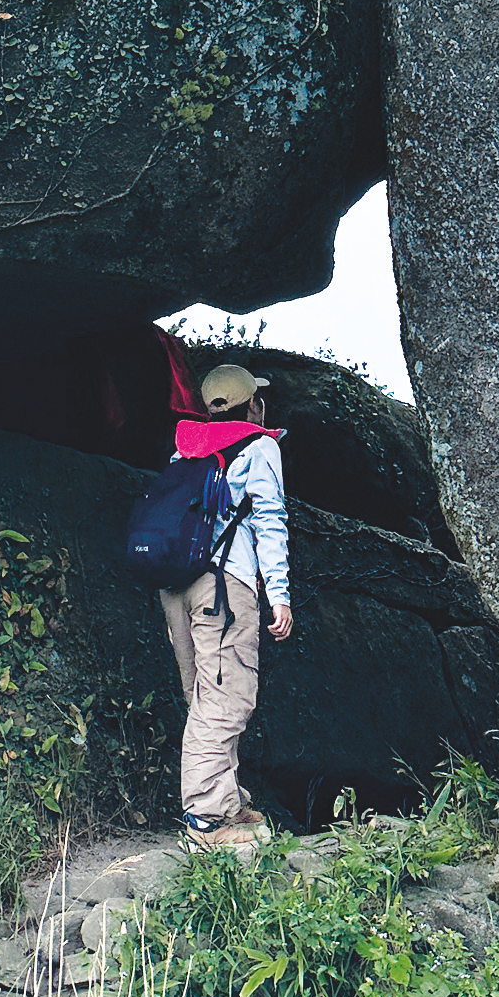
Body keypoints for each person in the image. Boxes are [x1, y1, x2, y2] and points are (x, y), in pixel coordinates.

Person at [160, 361, 293, 843]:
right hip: (224, 585)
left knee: (204, 692)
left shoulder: (185, 450)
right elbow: (269, 520)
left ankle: (226, 797)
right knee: (226, 695)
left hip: (177, 584)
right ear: (252, 405)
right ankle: (206, 819)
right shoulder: (259, 447)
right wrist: (277, 594)